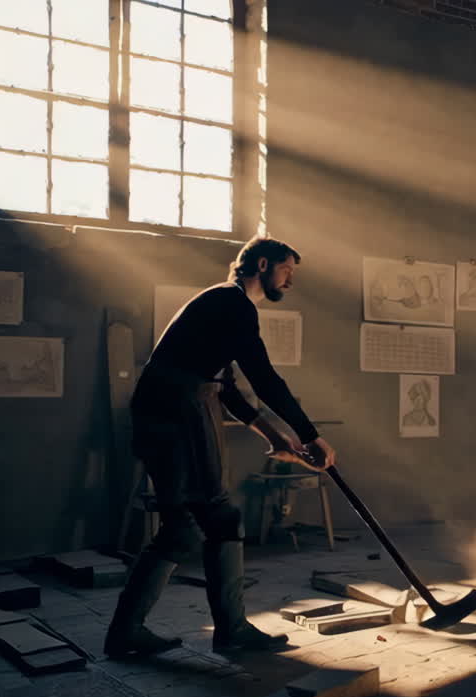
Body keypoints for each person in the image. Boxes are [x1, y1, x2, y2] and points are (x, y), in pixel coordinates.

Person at [104, 237, 337, 657]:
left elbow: (226, 387)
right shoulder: (233, 303)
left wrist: (272, 435)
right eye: (286, 270)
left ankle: (129, 632)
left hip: (173, 407)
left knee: (182, 527)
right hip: (180, 410)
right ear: (262, 264)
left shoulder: (221, 303)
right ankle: (228, 631)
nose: (290, 281)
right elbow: (263, 377)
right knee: (218, 517)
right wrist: (310, 435)